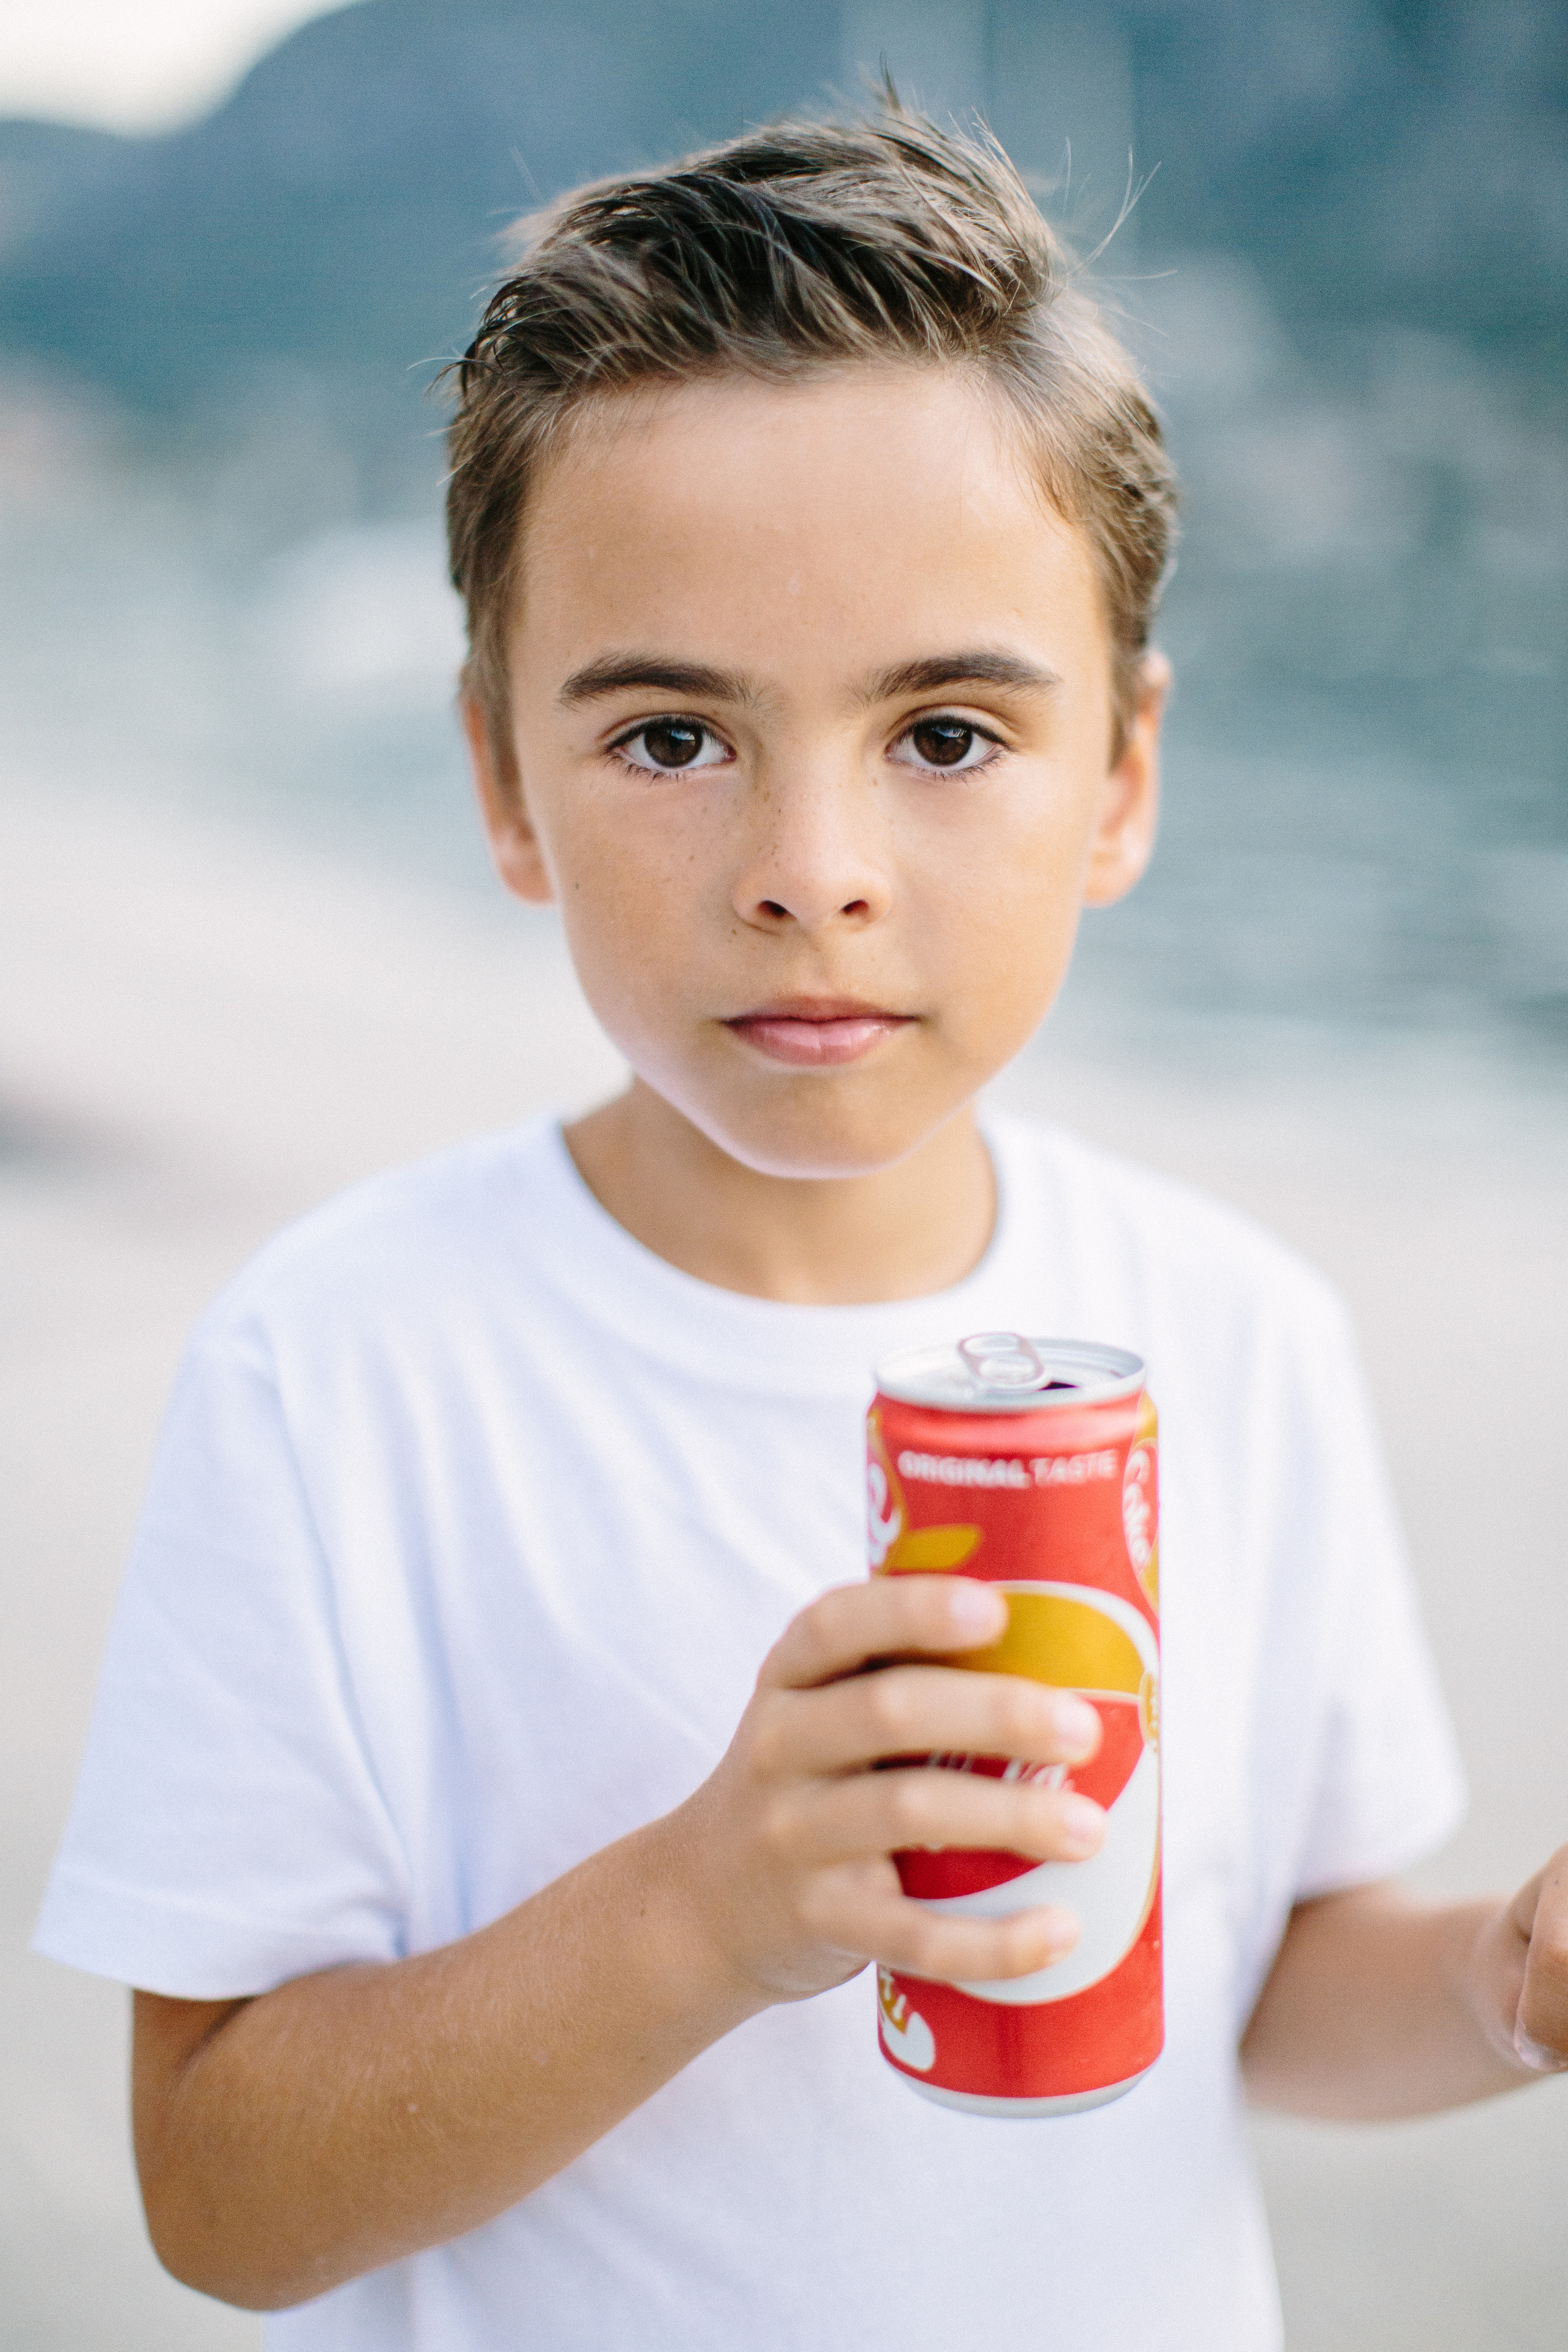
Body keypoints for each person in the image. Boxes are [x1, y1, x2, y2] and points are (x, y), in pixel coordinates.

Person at [34, 107, 1567, 2352]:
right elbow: (224, 2195)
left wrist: (1509, 1984)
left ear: (1123, 782)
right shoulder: (346, 1365)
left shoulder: (1232, 1330)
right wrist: (708, 1910)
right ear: (499, 784)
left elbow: (1258, 1981)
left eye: (946, 733)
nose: (811, 867)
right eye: (671, 738)